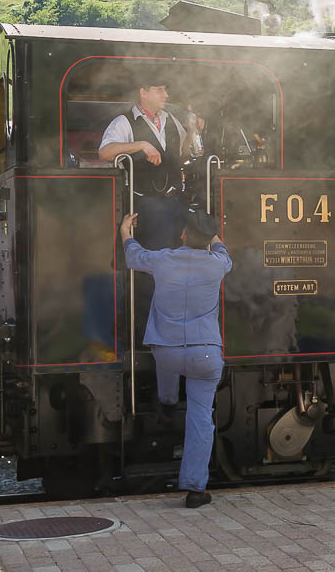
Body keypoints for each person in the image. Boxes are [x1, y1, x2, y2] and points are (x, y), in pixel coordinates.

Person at [121, 209, 232, 508]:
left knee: (167, 371)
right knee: (200, 418)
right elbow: (223, 250)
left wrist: (125, 231)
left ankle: (167, 403)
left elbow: (134, 256)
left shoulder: (164, 259)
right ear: (209, 239)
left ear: (183, 234)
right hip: (205, 352)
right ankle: (196, 489)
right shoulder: (218, 264)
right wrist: (213, 234)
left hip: (167, 351)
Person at [100, 81, 193, 250]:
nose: (166, 95)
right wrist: (141, 144)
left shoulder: (170, 119)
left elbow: (184, 152)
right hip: (146, 206)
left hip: (177, 201)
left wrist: (193, 131)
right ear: (143, 92)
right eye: (159, 90)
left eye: (165, 90)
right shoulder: (124, 121)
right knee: (156, 258)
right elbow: (105, 152)